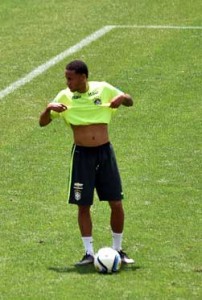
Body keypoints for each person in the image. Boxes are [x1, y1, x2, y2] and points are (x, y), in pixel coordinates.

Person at [39, 60, 134, 265]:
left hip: (105, 153)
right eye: (66, 78)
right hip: (82, 156)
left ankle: (118, 250)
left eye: (70, 78)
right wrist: (48, 109)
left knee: (116, 202)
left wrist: (122, 98)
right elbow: (43, 123)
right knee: (83, 205)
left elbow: (129, 100)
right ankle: (88, 253)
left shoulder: (103, 89)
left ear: (83, 77)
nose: (68, 82)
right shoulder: (64, 96)